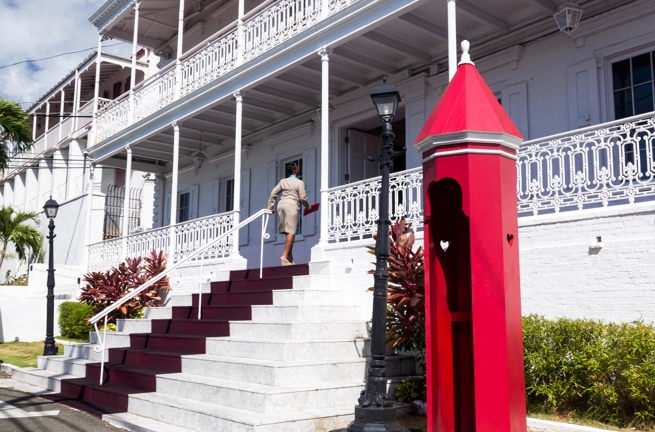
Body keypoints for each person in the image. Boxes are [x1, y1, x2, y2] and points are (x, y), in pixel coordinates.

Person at [267, 163, 310, 266]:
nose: (299, 168)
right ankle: (285, 256)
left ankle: (289, 258)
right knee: (291, 231)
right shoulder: (299, 182)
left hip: (281, 206)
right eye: (297, 167)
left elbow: (273, 193)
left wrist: (270, 206)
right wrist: (308, 206)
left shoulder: (283, 181)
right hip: (291, 206)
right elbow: (302, 198)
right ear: (295, 171)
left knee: (288, 231)